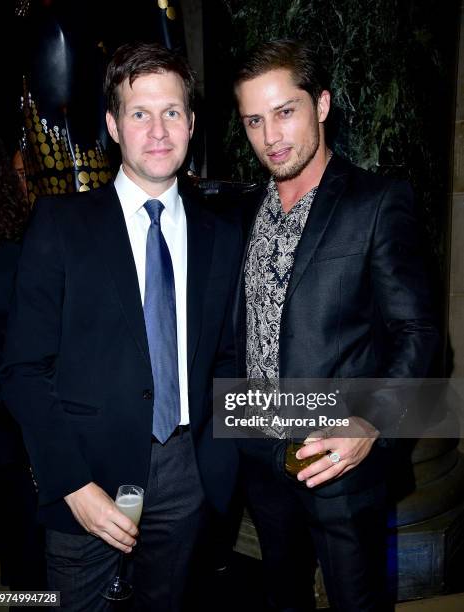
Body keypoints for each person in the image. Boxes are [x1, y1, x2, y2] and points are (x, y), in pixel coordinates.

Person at [0, 41, 241, 611]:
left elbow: (226, 358)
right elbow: (22, 371)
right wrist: (71, 484)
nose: (158, 129)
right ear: (112, 125)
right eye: (139, 113)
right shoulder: (60, 226)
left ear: (191, 122)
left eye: (172, 112)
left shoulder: (222, 236)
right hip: (88, 474)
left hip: (187, 475)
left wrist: (215, 470)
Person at [232, 39, 440, 611]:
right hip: (262, 463)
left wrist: (369, 423)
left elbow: (420, 334)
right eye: (254, 120)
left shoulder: (377, 202)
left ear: (321, 104)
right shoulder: (246, 210)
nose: (270, 137)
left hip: (342, 464)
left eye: (285, 111)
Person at [0, 129, 46, 594]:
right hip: (10, 433)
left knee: (21, 560)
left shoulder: (16, 257)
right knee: (23, 558)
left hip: (8, 434)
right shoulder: (17, 257)